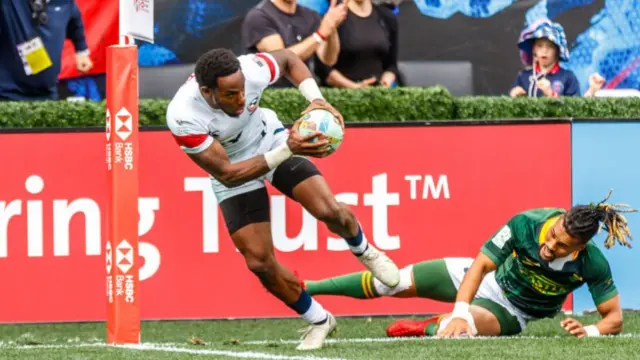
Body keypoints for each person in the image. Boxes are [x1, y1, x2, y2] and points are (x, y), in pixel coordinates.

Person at [165, 48, 400, 350]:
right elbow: (227, 174)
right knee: (259, 262)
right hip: (235, 167)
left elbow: (289, 59)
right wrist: (288, 149)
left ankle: (365, 251)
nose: (241, 100)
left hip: (269, 139)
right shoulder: (183, 115)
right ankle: (319, 320)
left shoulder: (250, 69)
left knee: (328, 210)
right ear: (207, 91)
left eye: (243, 92)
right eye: (231, 95)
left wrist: (316, 98)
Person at [302, 191, 635, 338]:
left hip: (513, 312)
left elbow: (615, 318)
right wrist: (461, 309)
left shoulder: (592, 262)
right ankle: (306, 287)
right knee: (393, 280)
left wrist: (589, 330)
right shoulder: (528, 222)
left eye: (561, 245)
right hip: (483, 278)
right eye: (552, 235)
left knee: (458, 333)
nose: (549, 245)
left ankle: (427, 326)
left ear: (580, 247)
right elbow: (480, 266)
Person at [0, 0, 93, 100]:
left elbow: (75, 21)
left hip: (47, 95)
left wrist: (81, 51)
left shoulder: (65, 3)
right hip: (7, 94)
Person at [242, 0, 347, 87]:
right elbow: (280, 59)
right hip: (272, 95)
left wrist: (331, 26)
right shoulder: (259, 16)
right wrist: (320, 35)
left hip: (305, 93)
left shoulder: (310, 15)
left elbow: (329, 60)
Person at [316, 0, 399, 88]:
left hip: (377, 94)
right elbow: (323, 68)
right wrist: (355, 87)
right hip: (341, 93)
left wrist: (384, 85)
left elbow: (391, 65)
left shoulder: (387, 17)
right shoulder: (334, 15)